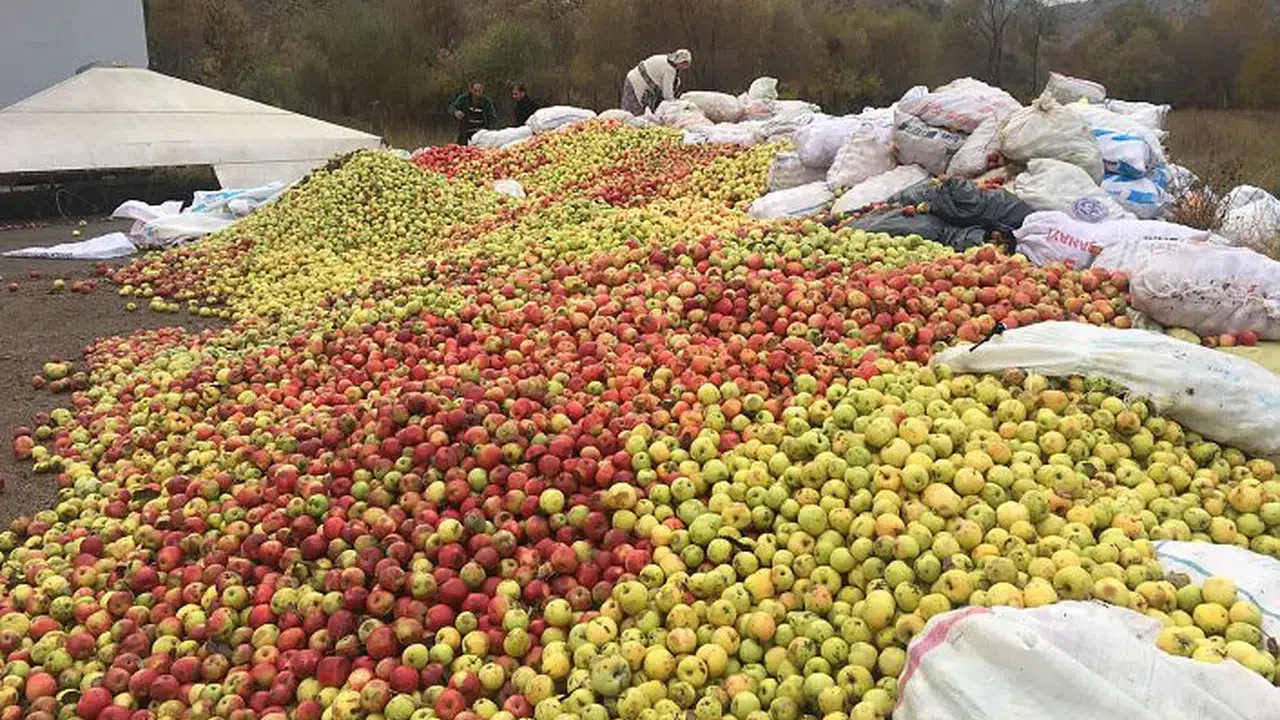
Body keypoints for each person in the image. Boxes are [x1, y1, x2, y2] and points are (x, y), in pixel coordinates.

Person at [621, 49, 691, 116]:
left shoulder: (665, 59)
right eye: (684, 64)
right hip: (637, 84)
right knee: (633, 115)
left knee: (633, 114)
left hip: (633, 78)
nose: (685, 68)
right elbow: (667, 94)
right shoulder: (669, 70)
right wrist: (676, 105)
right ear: (680, 62)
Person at [450, 81, 498, 145]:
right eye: (475, 91)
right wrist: (456, 112)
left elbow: (492, 117)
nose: (477, 94)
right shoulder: (464, 99)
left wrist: (491, 132)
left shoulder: (486, 101)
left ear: (482, 90)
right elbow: (452, 107)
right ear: (471, 90)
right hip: (465, 131)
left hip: (482, 133)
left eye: (479, 91)